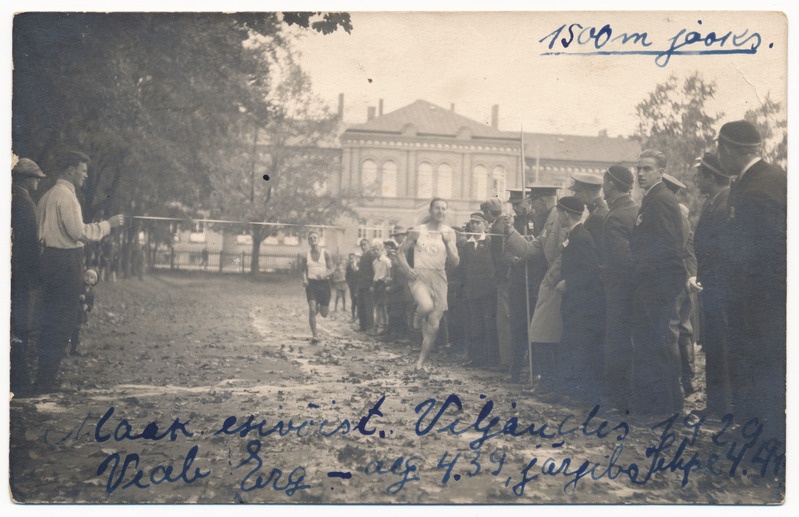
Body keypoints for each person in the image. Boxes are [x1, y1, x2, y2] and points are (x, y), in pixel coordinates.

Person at [716, 120, 786, 442]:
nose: (717, 154)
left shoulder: (760, 189)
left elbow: (765, 254)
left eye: (719, 148)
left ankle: (766, 441)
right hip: (755, 299)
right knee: (754, 365)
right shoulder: (755, 181)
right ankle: (753, 432)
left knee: (763, 365)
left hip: (761, 301)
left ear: (731, 150)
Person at [36, 150, 125, 394]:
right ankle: (46, 382)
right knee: (62, 322)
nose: (86, 175)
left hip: (51, 261)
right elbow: (79, 232)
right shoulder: (65, 197)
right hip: (65, 263)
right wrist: (108, 225)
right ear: (69, 170)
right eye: (83, 170)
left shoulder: (47, 196)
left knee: (52, 321)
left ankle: (45, 378)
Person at [629, 149, 686, 417]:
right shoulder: (653, 198)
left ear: (661, 172)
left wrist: (647, 282)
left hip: (657, 286)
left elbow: (666, 248)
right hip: (652, 284)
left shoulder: (661, 200)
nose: (640, 174)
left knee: (657, 345)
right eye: (638, 168)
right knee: (653, 345)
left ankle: (664, 410)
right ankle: (662, 406)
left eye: (647, 169)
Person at [691, 153, 733, 418]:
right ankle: (718, 406)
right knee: (714, 346)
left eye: (700, 176)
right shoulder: (714, 202)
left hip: (721, 287)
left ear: (711, 176)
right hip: (713, 285)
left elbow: (722, 250)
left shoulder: (726, 204)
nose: (696, 181)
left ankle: (724, 407)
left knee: (722, 346)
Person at [397, 198, 460, 370]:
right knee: (425, 306)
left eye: (444, 209)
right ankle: (416, 318)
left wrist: (448, 243)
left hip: (439, 277)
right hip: (419, 275)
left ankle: (420, 362)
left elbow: (455, 262)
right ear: (430, 211)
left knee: (434, 325)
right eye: (437, 208)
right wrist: (407, 270)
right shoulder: (418, 230)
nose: (441, 211)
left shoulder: (449, 232)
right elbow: (400, 253)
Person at [554, 196, 604, 405]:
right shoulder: (575, 234)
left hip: (582, 304)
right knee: (573, 344)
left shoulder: (581, 237)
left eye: (559, 212)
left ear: (565, 213)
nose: (558, 216)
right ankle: (571, 390)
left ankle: (578, 393)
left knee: (579, 346)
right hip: (575, 302)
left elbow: (589, 270)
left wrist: (569, 283)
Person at [600, 165, 638, 410]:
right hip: (635, 288)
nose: (603, 187)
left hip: (620, 289)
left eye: (604, 182)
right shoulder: (635, 209)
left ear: (611, 185)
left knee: (617, 341)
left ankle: (618, 399)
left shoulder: (615, 216)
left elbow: (620, 260)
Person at [11, 157, 46, 395]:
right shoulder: (24, 203)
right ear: (24, 179)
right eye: (35, 177)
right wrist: (37, 273)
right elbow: (30, 244)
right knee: (19, 326)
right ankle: (20, 382)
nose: (38, 182)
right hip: (21, 274)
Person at [662, 173, 699, 397]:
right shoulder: (681, 217)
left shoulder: (671, 217)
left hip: (673, 283)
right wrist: (691, 277)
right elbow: (690, 253)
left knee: (672, 330)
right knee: (684, 329)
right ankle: (687, 379)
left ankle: (675, 382)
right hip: (684, 281)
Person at [460, 212, 499, 369]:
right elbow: (463, 268)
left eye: (477, 222)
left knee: (489, 325)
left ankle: (492, 360)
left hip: (488, 291)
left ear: (485, 225)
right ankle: (477, 358)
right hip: (471, 290)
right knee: (475, 325)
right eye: (472, 223)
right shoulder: (466, 245)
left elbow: (496, 265)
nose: (474, 225)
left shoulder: (490, 242)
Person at [302, 231, 333, 344]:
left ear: (319, 240)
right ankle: (315, 336)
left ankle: (320, 306)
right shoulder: (306, 255)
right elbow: (303, 270)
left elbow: (332, 269)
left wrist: (324, 275)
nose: (313, 239)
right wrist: (304, 279)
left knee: (324, 314)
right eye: (311, 238)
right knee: (312, 310)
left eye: (315, 237)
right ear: (308, 241)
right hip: (311, 284)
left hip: (324, 284)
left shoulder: (326, 253)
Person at [69, 268, 98, 355]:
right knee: (68, 330)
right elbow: (70, 295)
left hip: (81, 314)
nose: (88, 278)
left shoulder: (92, 292)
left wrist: (87, 306)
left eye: (91, 277)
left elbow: (91, 305)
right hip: (72, 311)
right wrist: (78, 296)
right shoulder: (78, 286)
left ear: (94, 282)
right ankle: (62, 349)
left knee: (76, 331)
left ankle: (73, 350)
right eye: (86, 276)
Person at [371, 239, 391, 335]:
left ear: (382, 249)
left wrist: (386, 284)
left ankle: (386, 327)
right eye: (374, 249)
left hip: (384, 285)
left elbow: (390, 275)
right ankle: (376, 327)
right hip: (377, 284)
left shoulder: (387, 261)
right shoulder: (374, 262)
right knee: (378, 306)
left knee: (384, 307)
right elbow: (375, 274)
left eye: (377, 249)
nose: (375, 251)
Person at [356, 238, 376, 332]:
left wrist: (372, 285)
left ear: (369, 245)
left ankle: (369, 326)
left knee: (368, 307)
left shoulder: (371, 256)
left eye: (365, 245)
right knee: (361, 305)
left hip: (368, 285)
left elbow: (374, 271)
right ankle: (362, 326)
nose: (363, 247)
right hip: (361, 284)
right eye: (361, 245)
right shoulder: (362, 256)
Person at [345, 253, 359, 322]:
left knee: (359, 301)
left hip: (359, 286)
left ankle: (359, 316)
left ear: (355, 258)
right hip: (352, 287)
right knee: (353, 301)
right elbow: (346, 277)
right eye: (350, 258)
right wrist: (349, 284)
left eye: (352, 258)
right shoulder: (348, 267)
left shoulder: (359, 265)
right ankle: (353, 316)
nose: (351, 260)